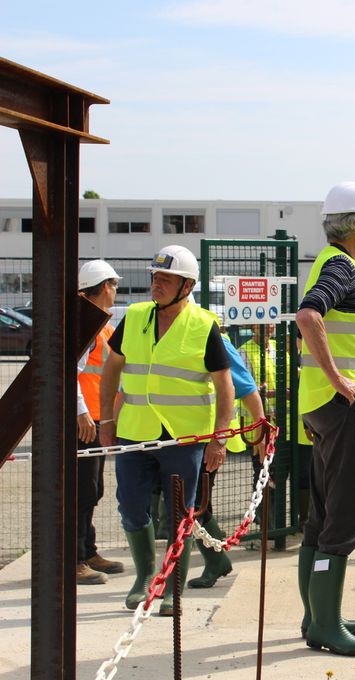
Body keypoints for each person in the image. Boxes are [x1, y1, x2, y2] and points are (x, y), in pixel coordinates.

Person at [99, 245, 235, 616]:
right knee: (130, 507)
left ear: (186, 285)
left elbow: (226, 386)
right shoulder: (136, 316)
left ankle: (173, 587)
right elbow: (112, 369)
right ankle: (145, 580)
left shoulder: (204, 324)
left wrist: (218, 438)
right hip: (134, 432)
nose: (156, 285)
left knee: (180, 514)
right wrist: (106, 420)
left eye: (166, 279)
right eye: (154, 277)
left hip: (184, 437)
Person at [296, 181, 355, 657]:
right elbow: (308, 317)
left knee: (323, 515)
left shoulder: (332, 264)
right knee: (348, 514)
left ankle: (317, 615)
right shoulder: (342, 266)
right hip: (343, 407)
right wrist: (340, 379)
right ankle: (325, 626)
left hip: (323, 405)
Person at [187, 326, 267, 589]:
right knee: (188, 504)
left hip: (208, 441)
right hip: (176, 438)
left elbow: (246, 387)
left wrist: (261, 430)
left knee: (194, 503)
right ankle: (216, 555)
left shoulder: (216, 340)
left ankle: (216, 559)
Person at [74, 260, 124, 585]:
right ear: (105, 286)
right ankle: (75, 558)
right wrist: (80, 412)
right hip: (84, 422)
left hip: (95, 419)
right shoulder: (87, 324)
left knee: (93, 489)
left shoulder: (101, 324)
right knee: (81, 490)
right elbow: (71, 370)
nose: (116, 290)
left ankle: (88, 550)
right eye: (115, 285)